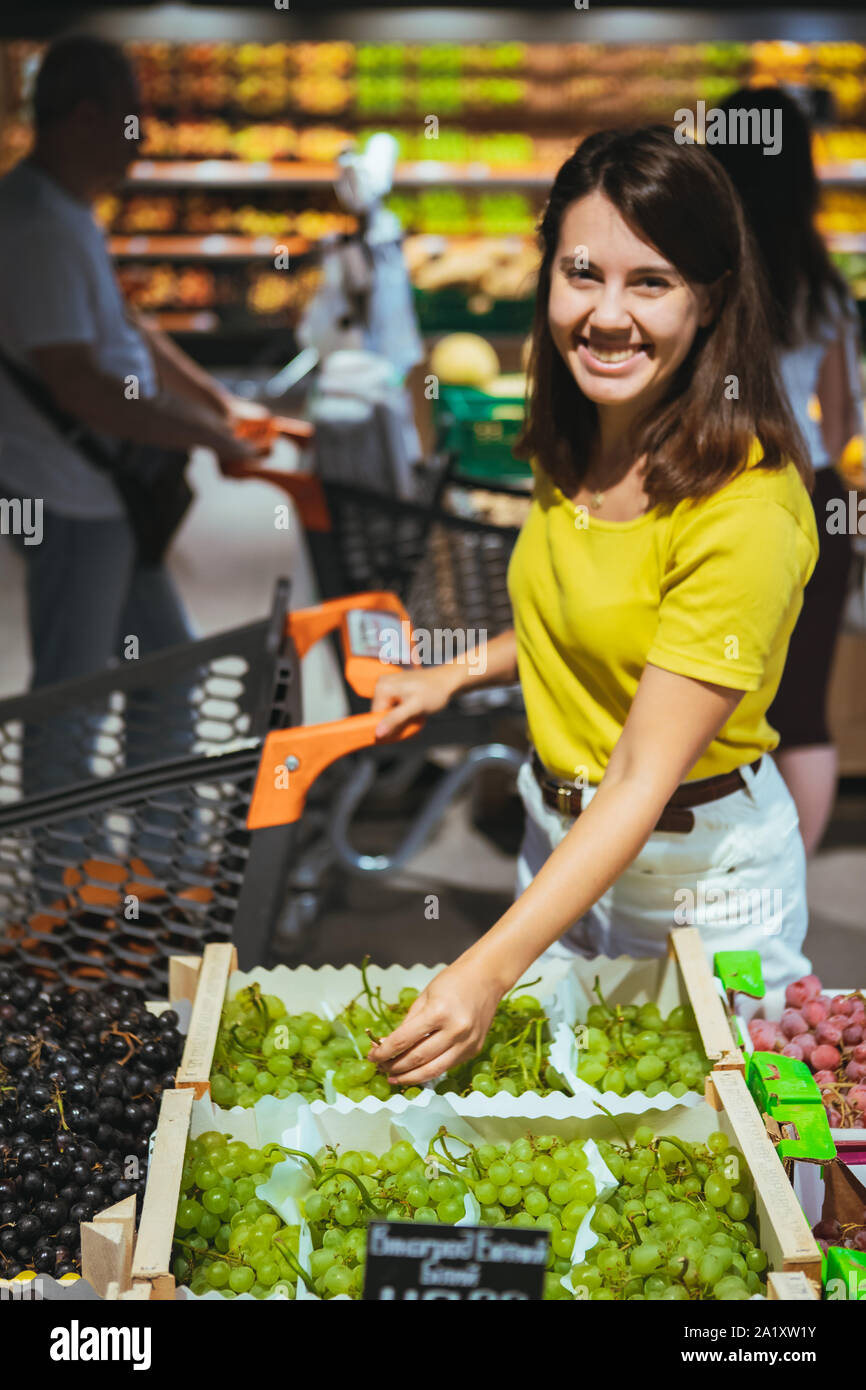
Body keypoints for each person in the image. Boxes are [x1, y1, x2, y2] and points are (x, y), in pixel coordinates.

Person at [366, 126, 818, 1086]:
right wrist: (454, 671)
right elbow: (581, 615)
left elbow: (641, 778)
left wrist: (487, 965)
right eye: (583, 273)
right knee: (565, 1143)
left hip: (704, 884)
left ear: (710, 301)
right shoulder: (581, 437)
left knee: (742, 1162)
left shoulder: (746, 508)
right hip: (559, 840)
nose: (607, 316)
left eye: (650, 281)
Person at [0, 36, 262, 693]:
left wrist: (216, 403)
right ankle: (64, 801)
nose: (141, 136)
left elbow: (129, 329)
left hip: (105, 490)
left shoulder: (67, 212)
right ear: (84, 117)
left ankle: (159, 800)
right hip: (71, 491)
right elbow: (82, 386)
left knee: (170, 677)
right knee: (71, 693)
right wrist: (209, 434)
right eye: (130, 116)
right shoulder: (36, 226)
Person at [706, 88, 864, 855]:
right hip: (814, 496)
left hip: (716, 492)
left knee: (711, 701)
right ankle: (784, 884)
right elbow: (841, 425)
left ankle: (714, 882)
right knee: (800, 710)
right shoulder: (822, 284)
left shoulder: (705, 273)